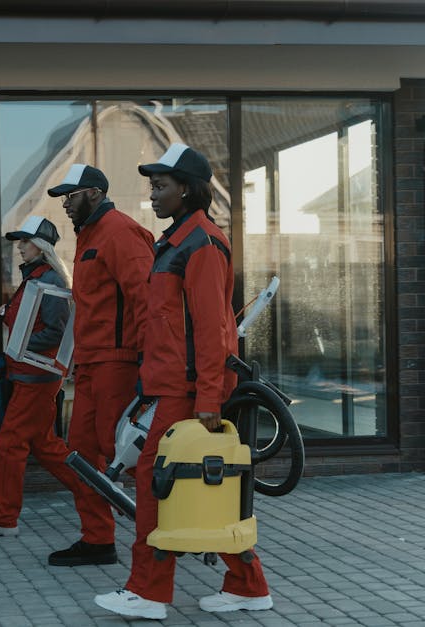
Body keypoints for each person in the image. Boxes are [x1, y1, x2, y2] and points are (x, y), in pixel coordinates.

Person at [94, 144, 273, 620]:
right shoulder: (175, 243)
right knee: (203, 485)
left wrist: (209, 398)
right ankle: (248, 585)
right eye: (152, 186)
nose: (152, 195)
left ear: (187, 190)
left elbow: (214, 329)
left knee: (159, 482)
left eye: (160, 186)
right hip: (171, 385)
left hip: (190, 391)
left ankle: (148, 592)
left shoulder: (202, 245)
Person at [45, 164, 156, 567]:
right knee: (80, 453)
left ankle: (165, 535)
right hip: (92, 365)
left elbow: (146, 299)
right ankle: (97, 539)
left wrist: (149, 362)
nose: (65, 204)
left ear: (94, 192)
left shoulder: (121, 232)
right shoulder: (89, 235)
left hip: (119, 362)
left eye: (70, 196)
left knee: (123, 453)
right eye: (63, 198)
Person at [0, 216, 97, 539]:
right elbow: (33, 322)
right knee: (46, 445)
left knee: (10, 444)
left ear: (41, 246)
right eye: (20, 241)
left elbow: (56, 331)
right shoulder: (36, 278)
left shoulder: (48, 279)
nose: (20, 247)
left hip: (35, 378)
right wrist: (7, 316)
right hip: (30, 375)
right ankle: (96, 491)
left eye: (26, 241)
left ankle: (3, 519)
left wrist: (18, 343)